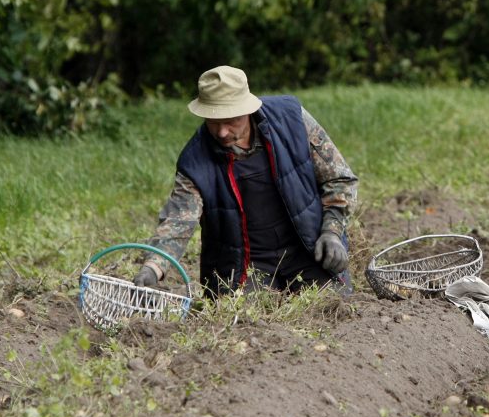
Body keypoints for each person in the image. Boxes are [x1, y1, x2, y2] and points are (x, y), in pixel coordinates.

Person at [133, 65, 358, 296]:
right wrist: (153, 268)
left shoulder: (291, 120)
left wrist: (331, 232)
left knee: (331, 305)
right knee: (244, 320)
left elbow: (339, 179)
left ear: (247, 110)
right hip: (244, 265)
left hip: (306, 249)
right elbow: (178, 221)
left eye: (230, 120)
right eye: (213, 121)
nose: (221, 132)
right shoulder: (194, 162)